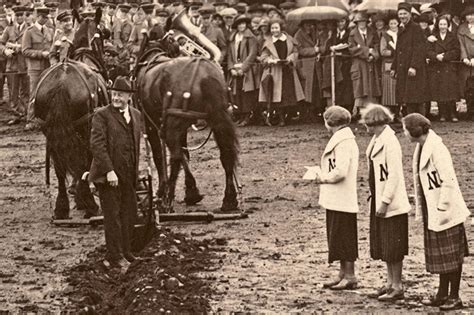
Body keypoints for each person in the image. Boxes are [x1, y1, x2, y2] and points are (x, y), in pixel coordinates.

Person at [403, 113, 470, 311]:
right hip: (433, 208)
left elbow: (448, 180)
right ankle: (442, 293)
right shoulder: (422, 147)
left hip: (446, 209)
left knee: (452, 255)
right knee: (442, 255)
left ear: (414, 131)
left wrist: (442, 206)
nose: (404, 133)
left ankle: (454, 295)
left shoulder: (438, 149)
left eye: (406, 129)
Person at [89, 76, 142, 271]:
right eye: (114, 94)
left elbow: (136, 146)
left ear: (129, 97)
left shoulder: (136, 115)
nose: (117, 98)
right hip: (108, 175)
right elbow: (97, 145)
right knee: (113, 217)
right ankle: (114, 256)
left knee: (129, 213)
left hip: (129, 174)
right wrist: (109, 171)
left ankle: (127, 252)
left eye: (121, 95)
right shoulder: (101, 115)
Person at [362, 104, 410, 302]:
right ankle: (390, 282)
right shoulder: (377, 139)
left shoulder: (390, 142)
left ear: (378, 123)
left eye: (370, 125)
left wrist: (385, 201)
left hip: (391, 203)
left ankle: (397, 285)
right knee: (385, 245)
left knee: (393, 246)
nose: (367, 128)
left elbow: (394, 175)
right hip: (379, 198)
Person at [314, 106, 359, 291]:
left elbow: (340, 171)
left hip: (343, 196)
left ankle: (350, 275)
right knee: (338, 235)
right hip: (336, 197)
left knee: (345, 236)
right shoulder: (340, 139)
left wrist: (323, 178)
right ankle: (342, 273)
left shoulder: (345, 142)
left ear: (329, 122)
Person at [258, 19, 305, 126]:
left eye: (276, 28)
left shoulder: (289, 39)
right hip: (275, 72)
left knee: (288, 94)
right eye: (272, 28)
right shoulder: (268, 42)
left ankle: (288, 116)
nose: (274, 30)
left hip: (288, 70)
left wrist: (291, 58)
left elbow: (296, 52)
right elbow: (263, 57)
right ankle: (280, 118)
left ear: (281, 28)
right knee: (277, 96)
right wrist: (270, 60)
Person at [391, 2, 429, 116]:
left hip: (413, 69)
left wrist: (414, 66)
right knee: (406, 97)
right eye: (400, 14)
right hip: (403, 68)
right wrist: (394, 67)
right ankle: (409, 121)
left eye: (405, 14)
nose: (402, 16)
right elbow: (398, 50)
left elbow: (420, 49)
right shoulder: (401, 29)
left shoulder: (416, 28)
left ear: (410, 14)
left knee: (415, 97)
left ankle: (418, 122)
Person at [22, 6, 53, 131]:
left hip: (48, 66)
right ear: (38, 16)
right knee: (34, 93)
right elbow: (25, 51)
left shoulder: (49, 31)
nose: (45, 20)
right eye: (43, 17)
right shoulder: (29, 32)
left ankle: (44, 118)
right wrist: (41, 54)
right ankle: (30, 120)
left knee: (48, 92)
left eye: (47, 17)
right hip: (35, 68)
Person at [426, 16, 460, 122]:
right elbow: (428, 51)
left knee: (451, 90)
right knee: (440, 90)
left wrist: (445, 56)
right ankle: (442, 113)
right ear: (438, 25)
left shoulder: (453, 36)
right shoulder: (433, 37)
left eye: (444, 24)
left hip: (449, 66)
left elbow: (456, 51)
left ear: (448, 25)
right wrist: (436, 56)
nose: (442, 27)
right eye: (441, 24)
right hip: (437, 67)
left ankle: (453, 113)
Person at [348, 11, 381, 118]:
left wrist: (374, 55)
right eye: (359, 22)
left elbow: (377, 46)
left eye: (363, 21)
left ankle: (371, 114)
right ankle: (360, 113)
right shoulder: (352, 34)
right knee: (360, 88)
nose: (362, 24)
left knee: (372, 88)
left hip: (371, 65)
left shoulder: (372, 32)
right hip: (359, 65)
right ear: (356, 23)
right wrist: (367, 51)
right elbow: (351, 50)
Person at [228, 15, 258, 126]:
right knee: (236, 94)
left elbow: (252, 54)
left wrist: (243, 68)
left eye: (243, 23)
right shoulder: (233, 38)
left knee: (247, 93)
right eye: (239, 24)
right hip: (235, 69)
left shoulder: (251, 38)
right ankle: (239, 115)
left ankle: (247, 116)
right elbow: (230, 55)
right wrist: (231, 68)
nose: (241, 26)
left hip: (247, 70)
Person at [1, 5, 29, 125]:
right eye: (17, 15)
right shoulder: (9, 29)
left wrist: (17, 47)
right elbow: (1, 43)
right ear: (14, 16)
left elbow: (31, 46)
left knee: (26, 91)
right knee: (13, 92)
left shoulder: (29, 28)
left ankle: (26, 114)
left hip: (25, 65)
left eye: (21, 15)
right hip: (12, 65)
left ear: (25, 16)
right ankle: (16, 114)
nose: (19, 17)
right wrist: (4, 51)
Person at [294, 20, 325, 119]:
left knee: (316, 88)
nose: (309, 27)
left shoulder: (315, 32)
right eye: (307, 25)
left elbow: (322, 45)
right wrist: (314, 50)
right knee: (306, 89)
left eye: (311, 24)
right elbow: (299, 50)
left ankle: (315, 111)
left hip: (316, 65)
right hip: (305, 65)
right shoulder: (298, 35)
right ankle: (306, 113)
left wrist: (319, 51)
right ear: (302, 25)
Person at [325, 17, 353, 112]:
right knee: (337, 86)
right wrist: (331, 45)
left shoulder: (349, 33)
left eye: (342, 21)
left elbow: (349, 45)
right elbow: (327, 47)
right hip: (335, 64)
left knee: (347, 87)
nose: (340, 24)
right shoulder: (333, 34)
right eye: (338, 21)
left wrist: (339, 49)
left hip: (346, 63)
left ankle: (347, 109)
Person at [380, 15, 400, 118]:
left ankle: (397, 112)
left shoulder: (401, 34)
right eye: (391, 23)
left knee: (398, 87)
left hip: (400, 64)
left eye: (395, 23)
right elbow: (382, 51)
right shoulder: (385, 36)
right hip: (389, 64)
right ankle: (389, 113)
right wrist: (393, 52)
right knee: (389, 89)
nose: (393, 25)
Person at [457, 5, 474, 121]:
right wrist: (465, 58)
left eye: (472, 15)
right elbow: (461, 44)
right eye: (468, 15)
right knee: (468, 88)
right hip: (467, 64)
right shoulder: (461, 29)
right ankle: (470, 111)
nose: (471, 17)